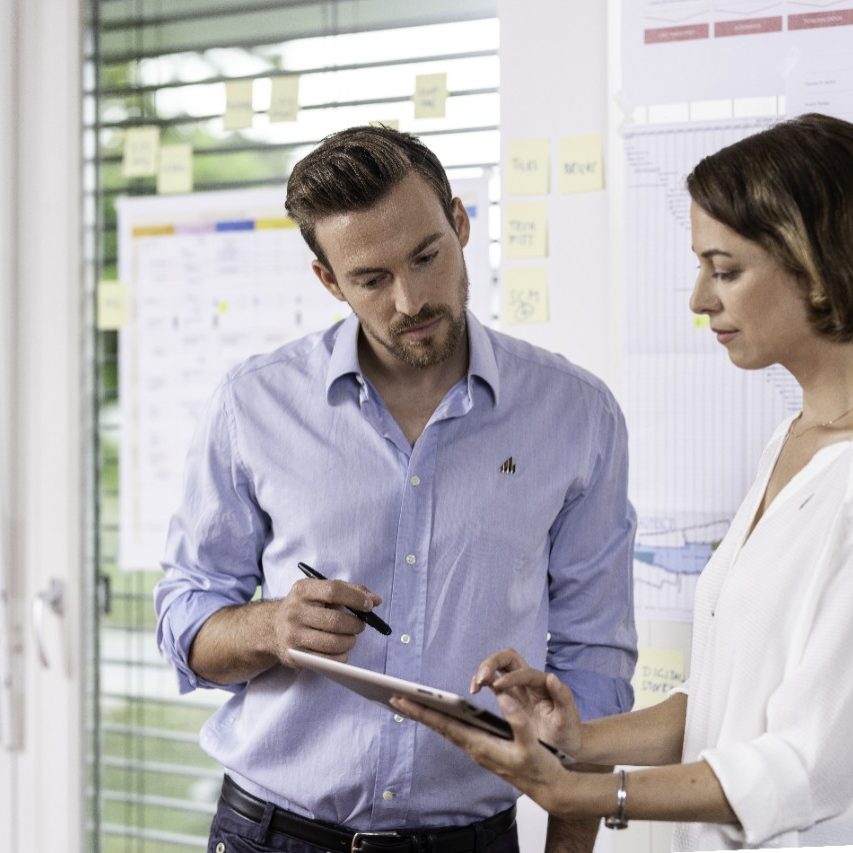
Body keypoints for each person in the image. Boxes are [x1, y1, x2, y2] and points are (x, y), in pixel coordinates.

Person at [154, 124, 637, 853]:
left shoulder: (575, 414)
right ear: (328, 281)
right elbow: (184, 616)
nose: (411, 299)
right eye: (372, 279)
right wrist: (270, 627)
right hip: (271, 833)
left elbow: (594, 663)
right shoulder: (253, 404)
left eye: (426, 256)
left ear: (460, 223)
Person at [393, 111, 853, 851]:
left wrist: (577, 791)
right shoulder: (791, 440)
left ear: (819, 261)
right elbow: (723, 709)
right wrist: (574, 735)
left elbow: (810, 764)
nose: (699, 299)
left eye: (725, 269)